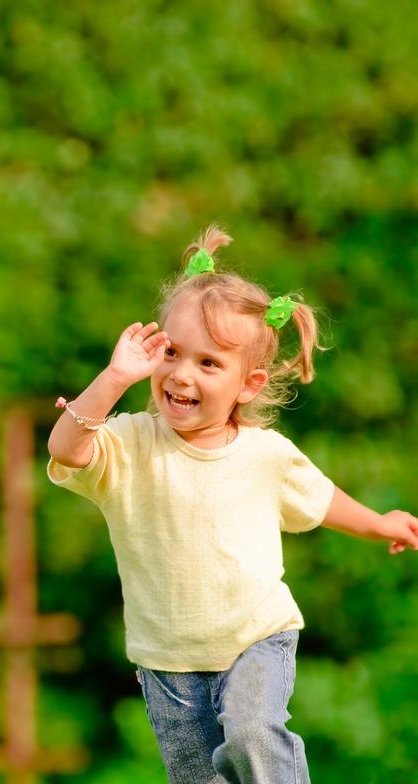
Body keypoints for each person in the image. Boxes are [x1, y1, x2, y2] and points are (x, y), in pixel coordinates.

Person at [46, 225, 418, 784]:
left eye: (209, 363)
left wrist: (378, 523)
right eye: (171, 353)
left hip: (255, 637)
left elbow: (319, 499)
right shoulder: (128, 443)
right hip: (167, 659)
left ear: (249, 384)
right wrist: (114, 378)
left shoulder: (266, 455)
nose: (181, 374)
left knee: (251, 733)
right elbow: (65, 449)